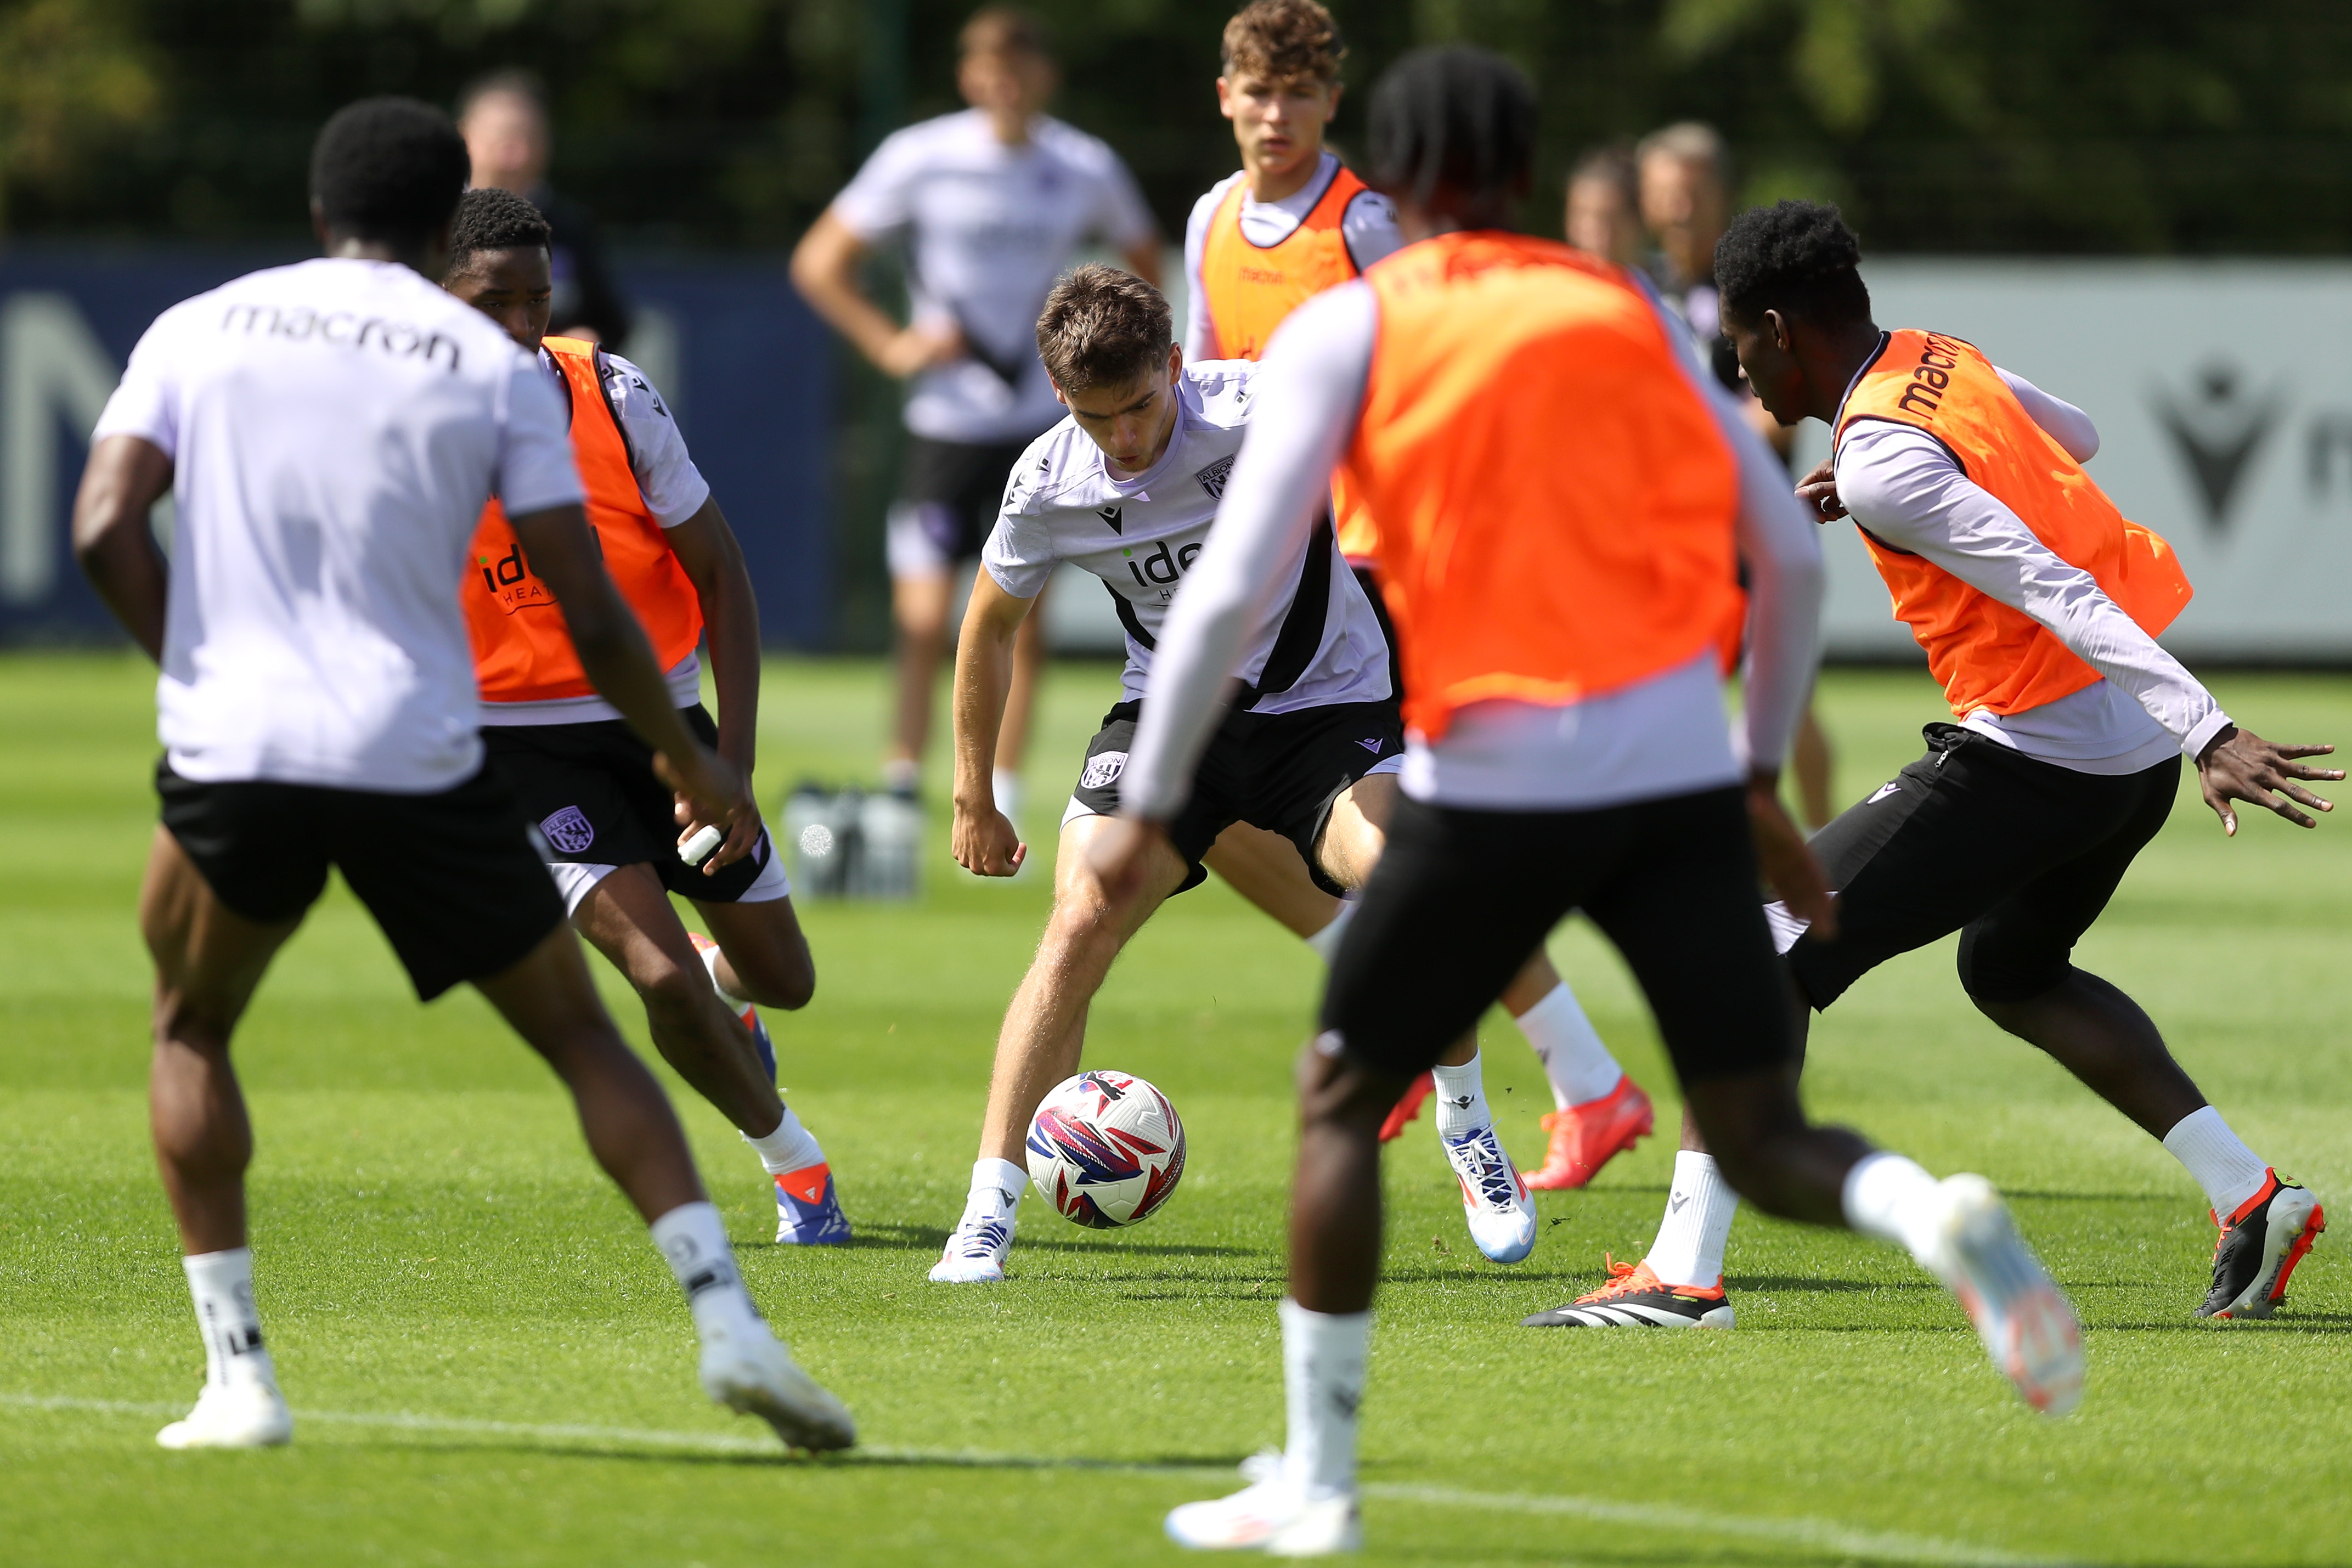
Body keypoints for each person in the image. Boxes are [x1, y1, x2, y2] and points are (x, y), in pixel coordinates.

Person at [1102, 49, 2086, 1553]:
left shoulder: (1350, 325)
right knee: (1756, 1129)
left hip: (1494, 774)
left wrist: (1153, 789)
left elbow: (1236, 578)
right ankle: (1924, 1210)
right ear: (1515, 168)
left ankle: (1317, 1483)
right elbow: (1774, 538)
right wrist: (1753, 774)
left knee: (1336, 1098)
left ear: (1405, 180)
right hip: (1669, 765)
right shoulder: (1621, 308)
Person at [67, 98, 851, 1454]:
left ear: (320, 213)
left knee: (189, 1029)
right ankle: (731, 1323)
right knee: (590, 1033)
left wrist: (192, 671)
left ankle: (239, 1379)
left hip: (244, 741)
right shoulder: (477, 367)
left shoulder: (199, 327)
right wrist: (694, 762)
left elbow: (102, 526)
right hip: (433, 743)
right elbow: (591, 607)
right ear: (442, 230)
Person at [1541, 200, 2333, 1334]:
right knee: (2011, 969)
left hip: (2043, 752)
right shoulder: (1934, 360)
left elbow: (2056, 586)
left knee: (1754, 937)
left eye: (1741, 348)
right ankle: (2250, 1196)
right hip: (2124, 759)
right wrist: (1883, 482)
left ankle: (1683, 1274)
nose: (1740, 372)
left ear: (1778, 326)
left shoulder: (1879, 460)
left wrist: (2210, 725)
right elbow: (2079, 437)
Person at [934, 264, 1539, 1283]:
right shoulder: (1046, 480)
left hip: (1326, 706)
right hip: (1172, 719)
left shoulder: (1260, 409)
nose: (1123, 441)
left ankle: (1467, 1118)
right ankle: (984, 1217)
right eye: (1096, 418)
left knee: (1403, 886)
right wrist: (971, 789)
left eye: (1138, 407)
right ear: (1059, 399)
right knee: (1080, 916)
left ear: (1175, 367)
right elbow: (990, 625)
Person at [1182, 0, 1653, 1192]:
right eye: (1256, 89)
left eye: (1299, 91)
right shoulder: (1209, 221)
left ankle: (1578, 1077)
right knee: (1225, 809)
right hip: (1276, 585)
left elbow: (1455, 366)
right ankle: (1424, 1023)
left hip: (1382, 577)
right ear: (1224, 94)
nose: (1276, 112)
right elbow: (1202, 386)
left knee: (1421, 841)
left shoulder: (1366, 225)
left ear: (1332, 102)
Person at [444, 187, 847, 1247]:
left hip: (664, 727)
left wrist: (736, 762)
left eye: (539, 299)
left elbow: (720, 571)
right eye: (496, 303)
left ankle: (738, 1001)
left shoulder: (612, 392)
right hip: (522, 750)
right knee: (660, 979)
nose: (524, 325)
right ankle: (798, 1168)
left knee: (783, 979)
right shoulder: (399, 427)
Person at [791, 7, 1161, 810]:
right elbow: (820, 261)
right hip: (942, 428)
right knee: (923, 614)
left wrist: (1095, 335)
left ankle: (1007, 785)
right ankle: (900, 777)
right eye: (990, 71)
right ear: (967, 78)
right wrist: (889, 344)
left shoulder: (1081, 164)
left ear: (1044, 77)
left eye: (1020, 69)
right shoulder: (920, 158)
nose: (1006, 86)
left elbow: (1143, 260)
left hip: (1043, 425)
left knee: (1022, 616)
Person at [1639, 121, 1838, 828]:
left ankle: (1822, 846)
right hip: (1681, 532)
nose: (1679, 209)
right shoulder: (1641, 287)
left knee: (1787, 695)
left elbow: (1780, 409)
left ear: (1721, 194)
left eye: (1692, 192)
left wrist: (1693, 433)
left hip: (1764, 516)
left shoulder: (1753, 285)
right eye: (1665, 193)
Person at [458, 70, 633, 347]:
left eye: (533, 139)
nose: (520, 156)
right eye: (505, 141)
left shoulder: (570, 226)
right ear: (466, 137)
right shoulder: (435, 223)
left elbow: (610, 322)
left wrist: (584, 341)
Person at [1563, 142, 1643, 268]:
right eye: (1581, 215)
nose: (1596, 235)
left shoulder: (1656, 285)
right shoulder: (1544, 280)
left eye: (1610, 219)